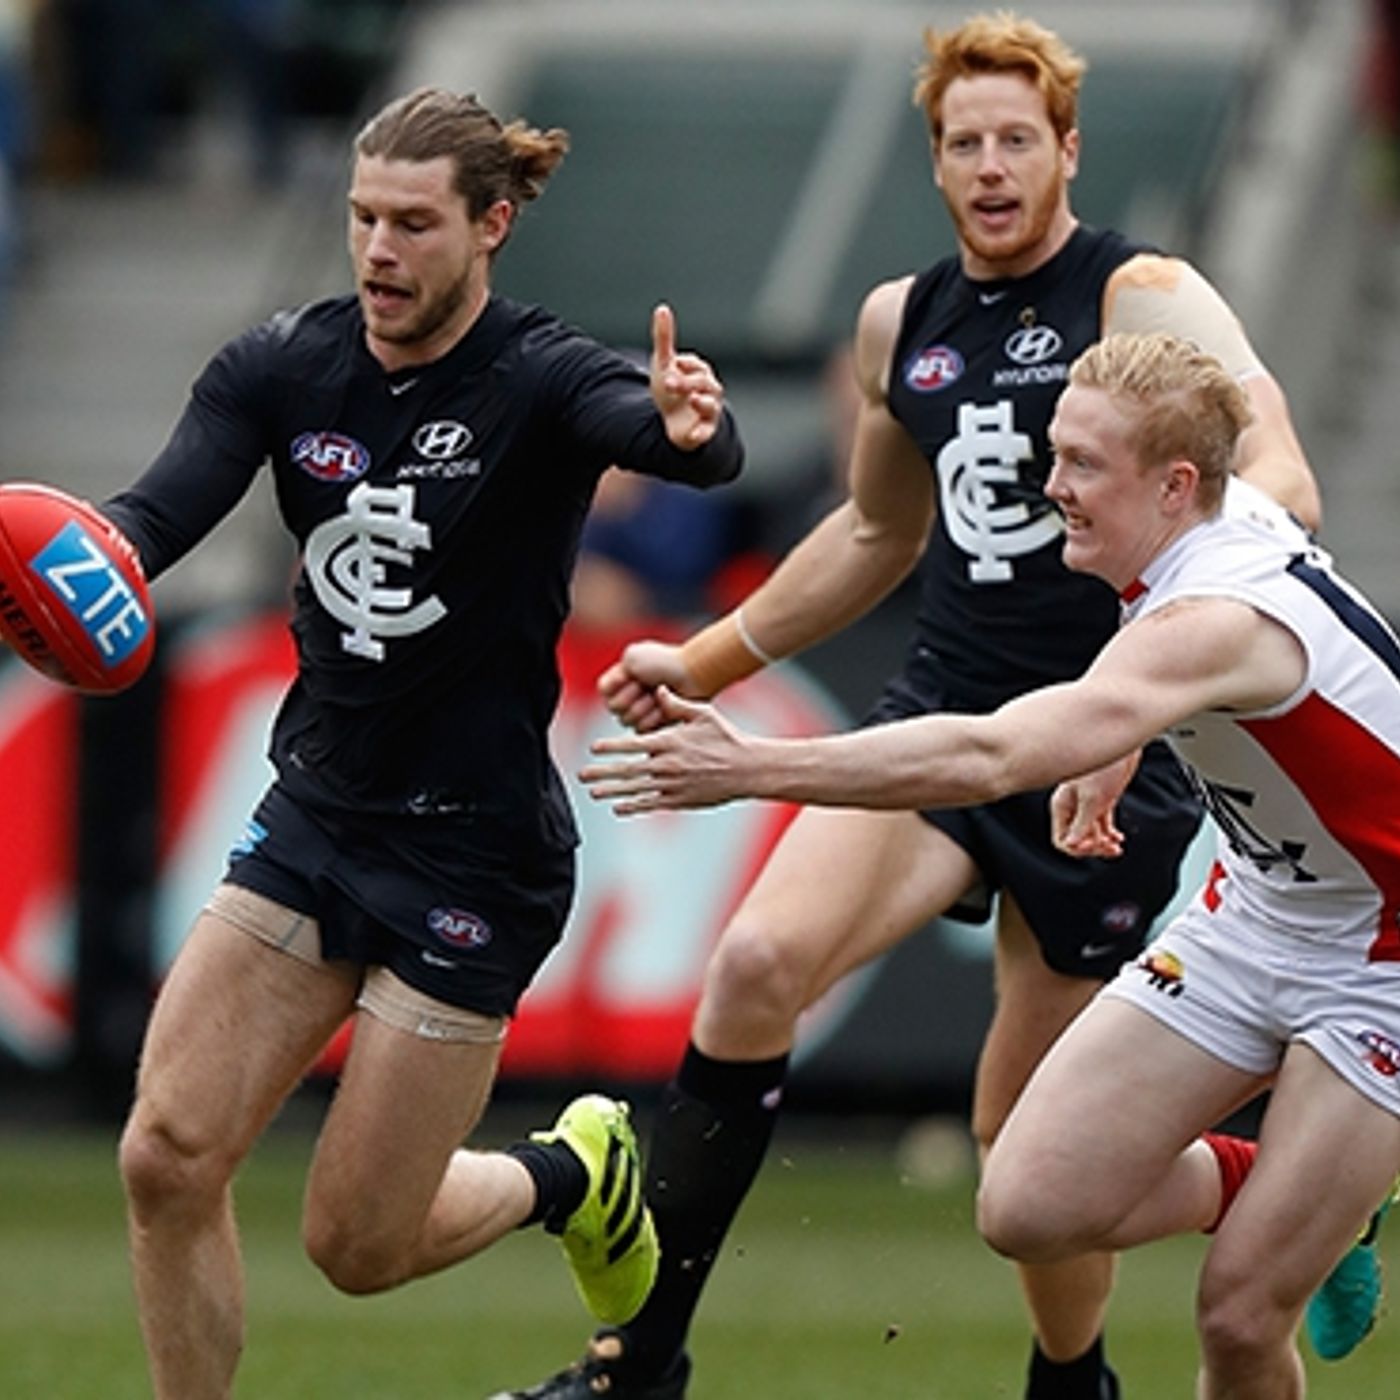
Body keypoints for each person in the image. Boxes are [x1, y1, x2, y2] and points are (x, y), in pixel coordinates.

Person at [495, 15, 1320, 1400]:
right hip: (945, 710)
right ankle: (639, 1359)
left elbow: (1282, 482)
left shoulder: (1142, 295)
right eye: (963, 142)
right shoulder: (901, 320)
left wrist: (1146, 686)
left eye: (1016, 140)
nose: (990, 167)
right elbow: (878, 532)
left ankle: (1076, 1374)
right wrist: (706, 659)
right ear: (932, 161)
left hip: (1099, 740)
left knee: (1022, 1142)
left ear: (1067, 150)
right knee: (756, 963)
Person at [579, 330, 1400, 1399]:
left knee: (1239, 1316)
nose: (1049, 485)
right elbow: (1196, 627)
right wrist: (1121, 737)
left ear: (1173, 484)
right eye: (1055, 452)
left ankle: (1310, 1208)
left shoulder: (1212, 614)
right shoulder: (1212, 524)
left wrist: (751, 765)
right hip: (1256, 908)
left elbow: (994, 753)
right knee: (1025, 1205)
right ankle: (1295, 1193)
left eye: (1082, 464)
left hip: (1381, 961)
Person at [100, 86, 744, 1400]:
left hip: (475, 858)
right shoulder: (282, 365)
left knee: (357, 1244)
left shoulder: (540, 372)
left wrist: (692, 426)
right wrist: (62, 563)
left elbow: (677, 444)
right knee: (165, 1154)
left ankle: (570, 1174)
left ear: (490, 225)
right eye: (362, 218)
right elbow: (146, 524)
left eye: (412, 223)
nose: (378, 251)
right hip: (317, 818)